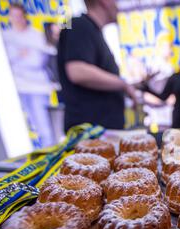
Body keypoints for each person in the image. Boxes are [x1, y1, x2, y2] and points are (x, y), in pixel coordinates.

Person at [57, 0, 138, 132]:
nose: (117, 5)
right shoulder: (78, 24)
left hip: (100, 133)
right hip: (91, 135)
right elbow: (77, 71)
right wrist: (123, 84)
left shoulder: (91, 30)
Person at [3, 3, 55, 147]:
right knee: (16, 129)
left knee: (44, 129)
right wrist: (20, 54)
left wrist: (16, 56)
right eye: (13, 16)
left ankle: (48, 160)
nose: (17, 19)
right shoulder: (5, 36)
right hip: (14, 89)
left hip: (37, 88)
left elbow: (36, 62)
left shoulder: (36, 35)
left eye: (20, 16)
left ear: (25, 16)